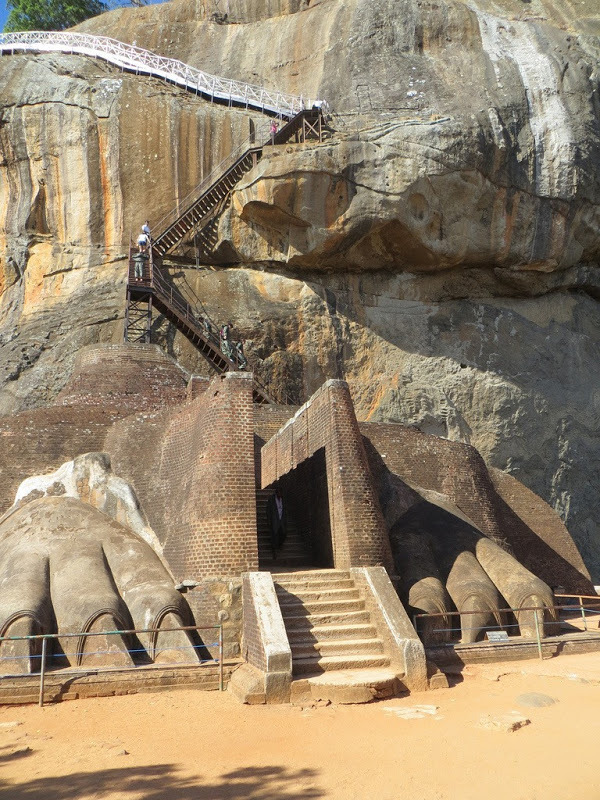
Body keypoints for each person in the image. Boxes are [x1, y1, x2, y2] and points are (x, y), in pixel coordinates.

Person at [266, 487, 287, 560]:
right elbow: (268, 510)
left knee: (283, 533)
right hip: (274, 520)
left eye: (281, 493)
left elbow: (285, 510)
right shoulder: (271, 500)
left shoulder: (283, 499)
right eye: (279, 493)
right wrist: (269, 521)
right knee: (274, 536)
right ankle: (274, 552)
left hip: (282, 519)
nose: (280, 495)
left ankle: (279, 545)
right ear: (276, 493)